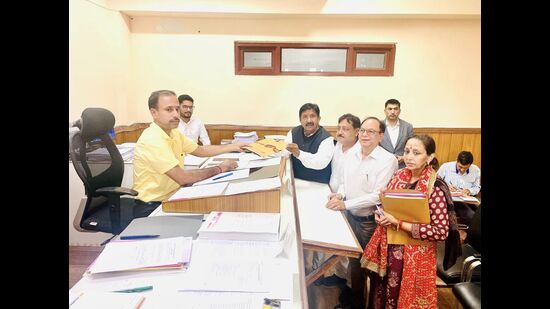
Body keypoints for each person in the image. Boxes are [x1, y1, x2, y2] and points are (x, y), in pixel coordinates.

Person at [361, 134, 461, 309]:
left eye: (416, 153)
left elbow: (440, 231)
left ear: (430, 157)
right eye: (407, 151)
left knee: (408, 300)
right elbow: (388, 205)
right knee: (385, 293)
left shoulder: (435, 187)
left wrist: (398, 223)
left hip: (416, 256)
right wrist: (381, 215)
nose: (409, 157)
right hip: (390, 249)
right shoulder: (399, 176)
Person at [326, 117, 398, 309]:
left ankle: (366, 302)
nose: (365, 135)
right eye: (363, 131)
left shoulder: (387, 160)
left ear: (381, 136)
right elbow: (344, 181)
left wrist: (345, 204)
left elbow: (377, 196)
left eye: (371, 132)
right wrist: (339, 194)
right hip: (350, 216)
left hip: (369, 222)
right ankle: (355, 300)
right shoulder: (352, 153)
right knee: (354, 263)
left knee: (369, 267)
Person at [132, 90, 247, 205]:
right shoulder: (152, 139)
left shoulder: (174, 133)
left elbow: (200, 150)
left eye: (177, 109)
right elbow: (182, 177)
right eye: (169, 110)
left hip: (174, 195)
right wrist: (220, 168)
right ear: (154, 113)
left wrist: (233, 146)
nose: (176, 114)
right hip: (152, 204)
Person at [313, 113, 361, 287]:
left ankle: (349, 284)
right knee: (337, 242)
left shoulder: (359, 152)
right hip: (332, 196)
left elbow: (349, 181)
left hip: (348, 202)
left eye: (345, 129)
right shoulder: (337, 147)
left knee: (347, 245)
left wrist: (340, 195)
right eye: (339, 128)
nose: (340, 132)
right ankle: (340, 276)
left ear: (357, 132)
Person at [283, 103, 335, 184]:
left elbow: (320, 162)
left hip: (318, 184)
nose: (309, 120)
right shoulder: (293, 132)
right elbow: (285, 153)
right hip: (296, 181)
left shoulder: (327, 139)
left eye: (312, 116)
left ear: (319, 119)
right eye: (305, 117)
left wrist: (299, 153)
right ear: (300, 120)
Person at [437, 151, 481, 225]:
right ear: (457, 160)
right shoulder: (446, 167)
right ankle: (464, 232)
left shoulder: (476, 170)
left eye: (466, 168)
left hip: (468, 199)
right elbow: (436, 181)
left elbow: (477, 187)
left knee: (478, 213)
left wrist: (469, 190)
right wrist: (446, 186)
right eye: (460, 167)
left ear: (470, 164)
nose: (462, 170)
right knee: (470, 215)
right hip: (450, 200)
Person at [379, 99, 413, 169]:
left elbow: (411, 146)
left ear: (399, 111)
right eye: (390, 109)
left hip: (401, 166)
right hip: (382, 165)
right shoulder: (378, 125)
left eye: (395, 109)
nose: (392, 112)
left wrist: (404, 157)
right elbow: (374, 146)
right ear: (385, 111)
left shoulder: (408, 126)